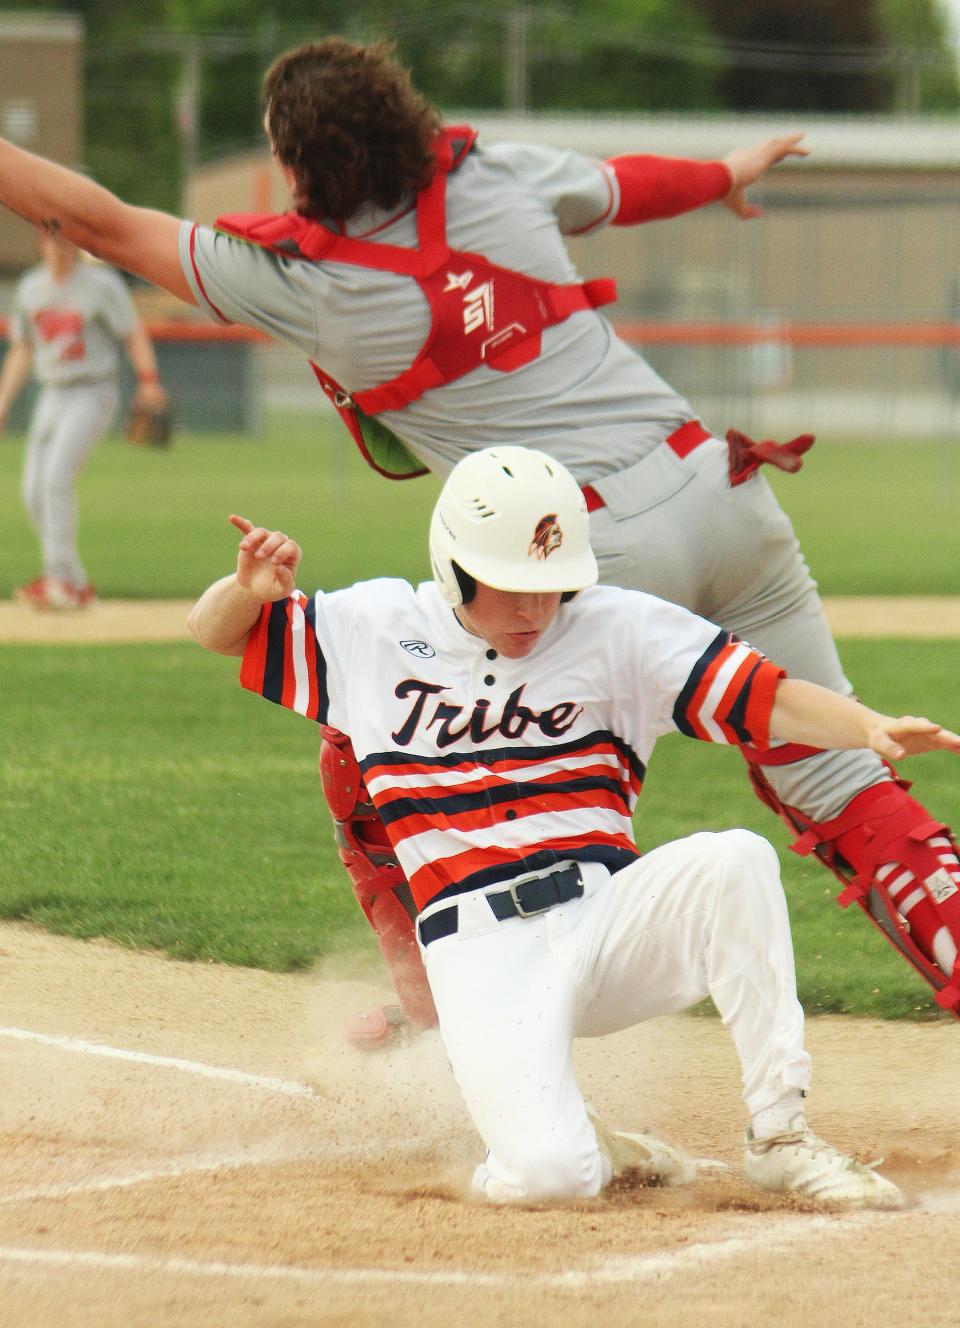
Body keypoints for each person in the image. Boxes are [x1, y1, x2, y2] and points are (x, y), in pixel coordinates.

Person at [0, 36, 956, 1027]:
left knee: (379, 734)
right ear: (405, 118)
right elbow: (622, 186)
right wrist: (729, 172)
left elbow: (99, 224)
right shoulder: (491, 174)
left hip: (579, 548)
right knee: (841, 773)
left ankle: (439, 987)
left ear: (297, 167)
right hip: (726, 489)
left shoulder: (310, 284)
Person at [188, 445, 960, 1208]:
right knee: (550, 1179)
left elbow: (765, 695)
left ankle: (782, 1137)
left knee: (736, 860)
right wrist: (246, 590)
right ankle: (574, 1138)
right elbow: (216, 634)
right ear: (454, 566)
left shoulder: (618, 628)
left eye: (553, 587)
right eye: (512, 587)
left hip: (606, 923)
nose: (534, 610)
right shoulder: (374, 627)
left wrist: (867, 727)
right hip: (480, 952)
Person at [0, 229, 168, 610]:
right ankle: (73, 582)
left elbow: (132, 335)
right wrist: (3, 403)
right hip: (52, 393)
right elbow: (23, 350)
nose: (58, 246)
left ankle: (58, 579)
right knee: (32, 492)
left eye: (64, 238)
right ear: (40, 243)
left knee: (56, 478)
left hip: (92, 391)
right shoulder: (30, 288)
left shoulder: (101, 285)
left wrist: (149, 381)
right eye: (50, 238)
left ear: (75, 243)